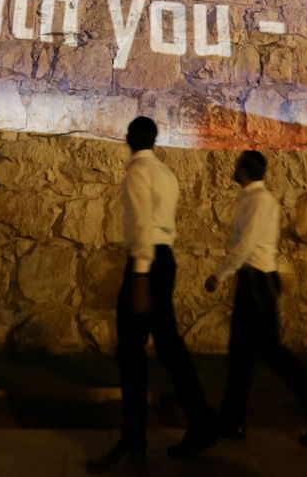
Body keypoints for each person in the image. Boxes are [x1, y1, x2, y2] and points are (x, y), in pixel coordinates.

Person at [87, 116, 215, 474]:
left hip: (146, 264)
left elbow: (141, 223)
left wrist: (140, 277)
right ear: (155, 140)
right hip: (165, 260)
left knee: (130, 353)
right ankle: (201, 422)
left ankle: (134, 441)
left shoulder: (137, 173)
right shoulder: (166, 174)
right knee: (170, 347)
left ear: (129, 138)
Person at [204, 149, 307, 444]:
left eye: (237, 166)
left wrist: (220, 274)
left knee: (270, 355)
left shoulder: (258, 201)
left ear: (244, 171)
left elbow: (247, 244)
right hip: (255, 282)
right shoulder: (255, 199)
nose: (233, 169)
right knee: (243, 356)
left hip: (257, 282)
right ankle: (232, 419)